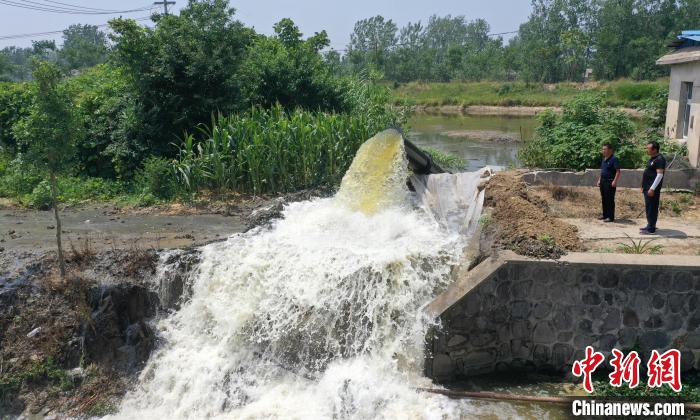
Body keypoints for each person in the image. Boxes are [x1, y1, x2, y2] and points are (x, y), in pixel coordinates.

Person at [640, 141, 666, 235]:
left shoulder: (660, 159)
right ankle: (650, 225)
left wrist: (652, 189)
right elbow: (647, 172)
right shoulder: (652, 158)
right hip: (647, 187)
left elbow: (659, 175)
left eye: (648, 148)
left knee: (652, 207)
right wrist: (643, 186)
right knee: (649, 207)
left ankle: (651, 229)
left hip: (652, 189)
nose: (647, 150)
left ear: (654, 149)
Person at [596, 143, 621, 223]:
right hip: (603, 181)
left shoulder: (614, 159)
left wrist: (615, 181)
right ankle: (605, 215)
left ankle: (610, 217)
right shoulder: (604, 159)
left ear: (610, 150)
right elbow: (602, 171)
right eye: (602, 149)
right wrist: (599, 180)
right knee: (604, 198)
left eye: (605, 149)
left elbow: (618, 171)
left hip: (610, 181)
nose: (603, 151)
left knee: (609, 199)